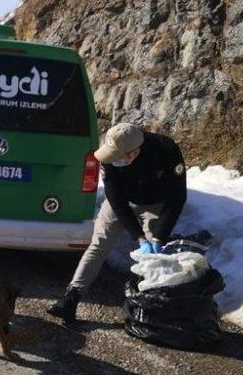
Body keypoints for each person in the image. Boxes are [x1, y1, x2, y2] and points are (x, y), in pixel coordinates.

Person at [48, 122, 187, 325]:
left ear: (133, 153)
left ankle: (148, 311)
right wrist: (138, 237)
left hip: (156, 203)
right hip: (122, 201)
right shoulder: (110, 156)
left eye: (119, 157)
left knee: (153, 258)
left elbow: (177, 198)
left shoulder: (166, 150)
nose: (111, 160)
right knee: (99, 244)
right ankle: (71, 298)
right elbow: (117, 201)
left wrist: (158, 236)